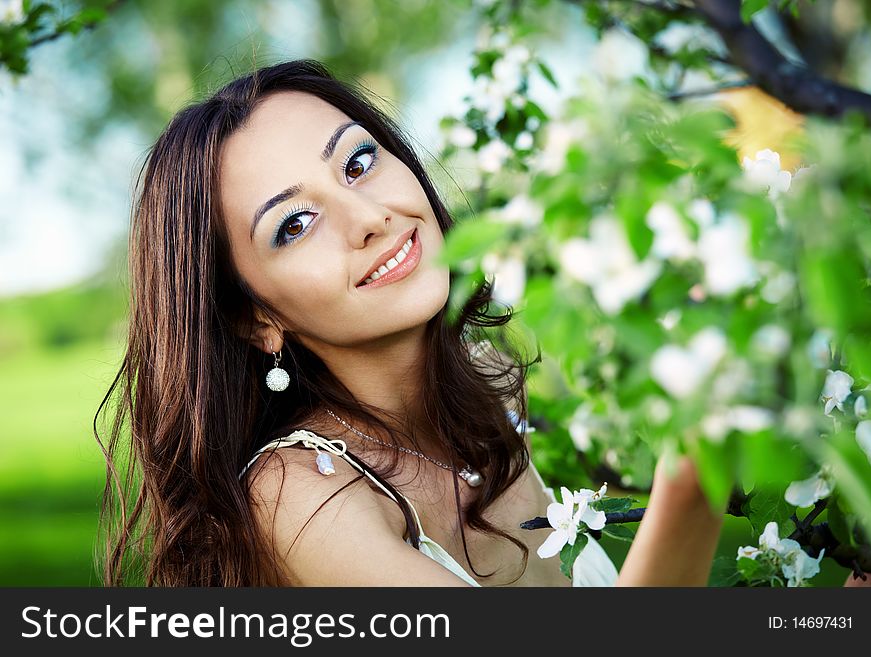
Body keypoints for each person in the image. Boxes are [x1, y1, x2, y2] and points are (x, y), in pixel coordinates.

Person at [97, 59, 727, 587]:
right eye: (294, 224)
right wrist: (701, 465)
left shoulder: (489, 372)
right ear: (253, 316)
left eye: (358, 162)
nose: (368, 215)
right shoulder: (300, 497)